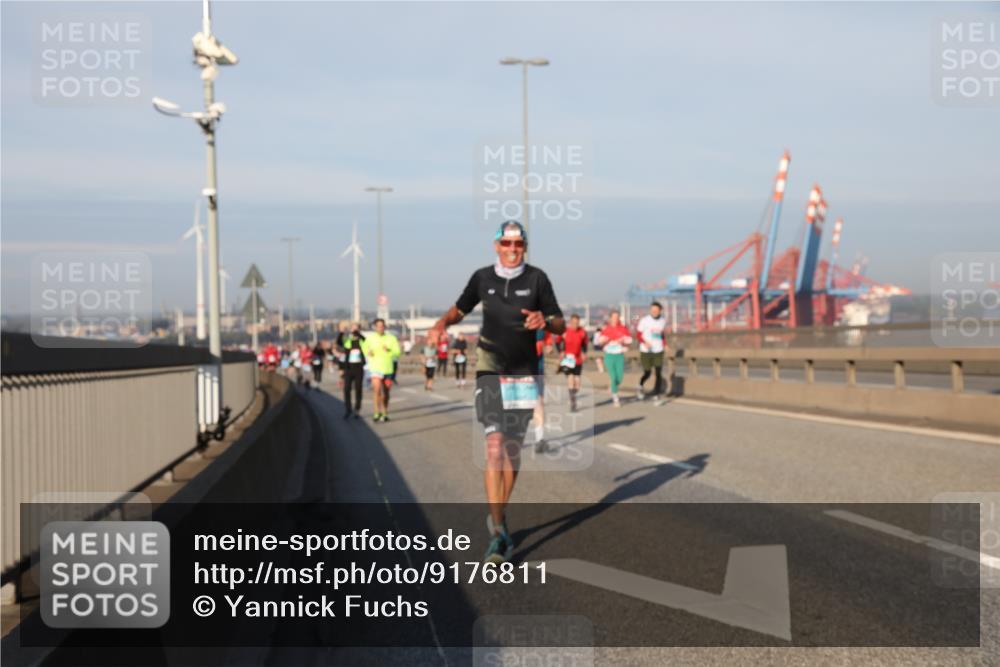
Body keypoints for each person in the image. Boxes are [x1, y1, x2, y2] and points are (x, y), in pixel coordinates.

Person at [430, 220, 564, 564]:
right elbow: (459, 309)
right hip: (490, 365)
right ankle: (498, 529)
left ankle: (499, 514)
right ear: (496, 245)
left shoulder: (537, 278)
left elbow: (559, 321)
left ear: (525, 247)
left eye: (518, 244)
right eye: (506, 243)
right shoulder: (481, 278)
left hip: (523, 371)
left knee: (512, 452)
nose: (512, 249)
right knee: (494, 447)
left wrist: (544, 321)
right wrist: (441, 323)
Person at [362, 318, 401, 422]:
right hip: (375, 368)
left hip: (388, 369)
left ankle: (385, 412)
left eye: (382, 326)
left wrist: (389, 350)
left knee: (386, 393)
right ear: (375, 327)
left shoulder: (391, 338)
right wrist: (368, 352)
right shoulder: (370, 338)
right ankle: (376, 412)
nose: (380, 328)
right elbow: (364, 347)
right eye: (378, 326)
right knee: (377, 390)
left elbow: (397, 352)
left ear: (385, 327)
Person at [596, 311, 632, 407]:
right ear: (610, 318)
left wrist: (623, 340)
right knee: (613, 376)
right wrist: (604, 340)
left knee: (619, 378)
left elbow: (629, 340)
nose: (615, 319)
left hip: (619, 355)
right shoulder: (606, 329)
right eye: (614, 317)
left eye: (617, 317)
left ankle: (613, 387)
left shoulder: (623, 329)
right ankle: (615, 398)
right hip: (609, 355)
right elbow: (599, 342)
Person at [636, 301, 668, 403]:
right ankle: (640, 385)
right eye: (652, 310)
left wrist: (664, 344)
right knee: (647, 372)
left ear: (660, 311)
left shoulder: (663, 321)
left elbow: (661, 335)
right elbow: (638, 334)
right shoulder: (645, 320)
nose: (654, 312)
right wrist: (644, 342)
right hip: (646, 350)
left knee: (658, 373)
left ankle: (656, 395)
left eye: (656, 310)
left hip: (658, 350)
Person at [559, 314, 589, 412]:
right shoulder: (565, 331)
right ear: (570, 322)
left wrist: (584, 353)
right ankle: (573, 403)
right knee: (570, 379)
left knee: (578, 384)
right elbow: (559, 342)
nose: (575, 325)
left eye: (577, 323)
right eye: (573, 323)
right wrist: (561, 351)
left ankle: (573, 394)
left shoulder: (582, 332)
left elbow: (585, 344)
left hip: (577, 359)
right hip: (567, 359)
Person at [337, 324, 366, 419]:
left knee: (358, 388)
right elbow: (340, 343)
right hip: (349, 368)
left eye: (355, 328)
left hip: (359, 367)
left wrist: (357, 333)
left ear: (359, 329)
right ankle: (348, 409)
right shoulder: (348, 340)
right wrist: (341, 332)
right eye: (352, 328)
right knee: (346, 389)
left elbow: (365, 342)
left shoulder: (362, 339)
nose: (353, 330)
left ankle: (357, 408)